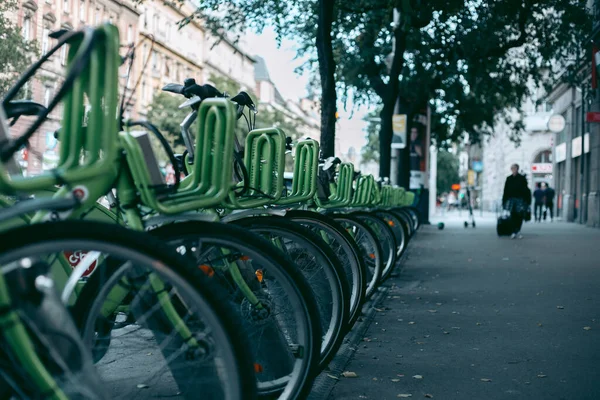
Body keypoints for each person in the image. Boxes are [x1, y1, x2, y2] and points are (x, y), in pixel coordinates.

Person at [502, 164, 531, 239]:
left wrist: (527, 201)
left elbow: (526, 190)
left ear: (517, 169)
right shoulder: (509, 178)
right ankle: (513, 231)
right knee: (512, 215)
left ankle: (518, 230)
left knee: (520, 216)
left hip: (520, 200)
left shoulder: (521, 178)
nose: (513, 170)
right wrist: (504, 200)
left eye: (514, 168)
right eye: (512, 168)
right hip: (511, 199)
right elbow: (506, 190)